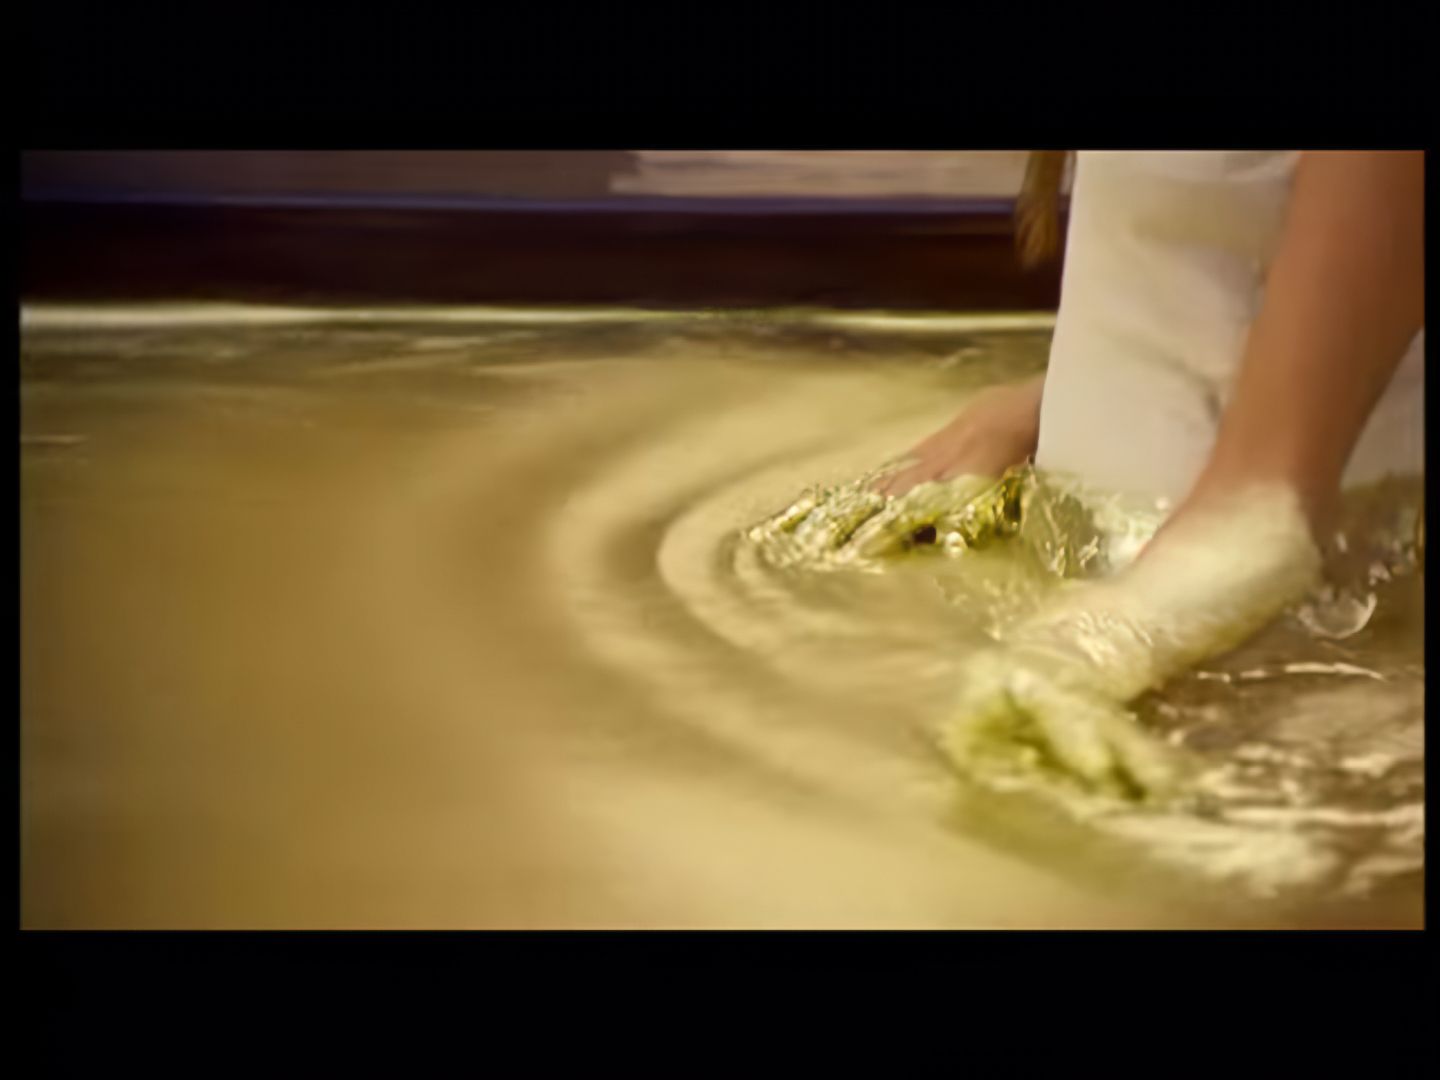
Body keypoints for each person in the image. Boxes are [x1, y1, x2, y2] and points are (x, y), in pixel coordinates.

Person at [862, 152, 1424, 797]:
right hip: (1107, 600)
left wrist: (1089, 646)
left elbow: (1263, 510)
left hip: (1289, 671)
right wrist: (1068, 390)